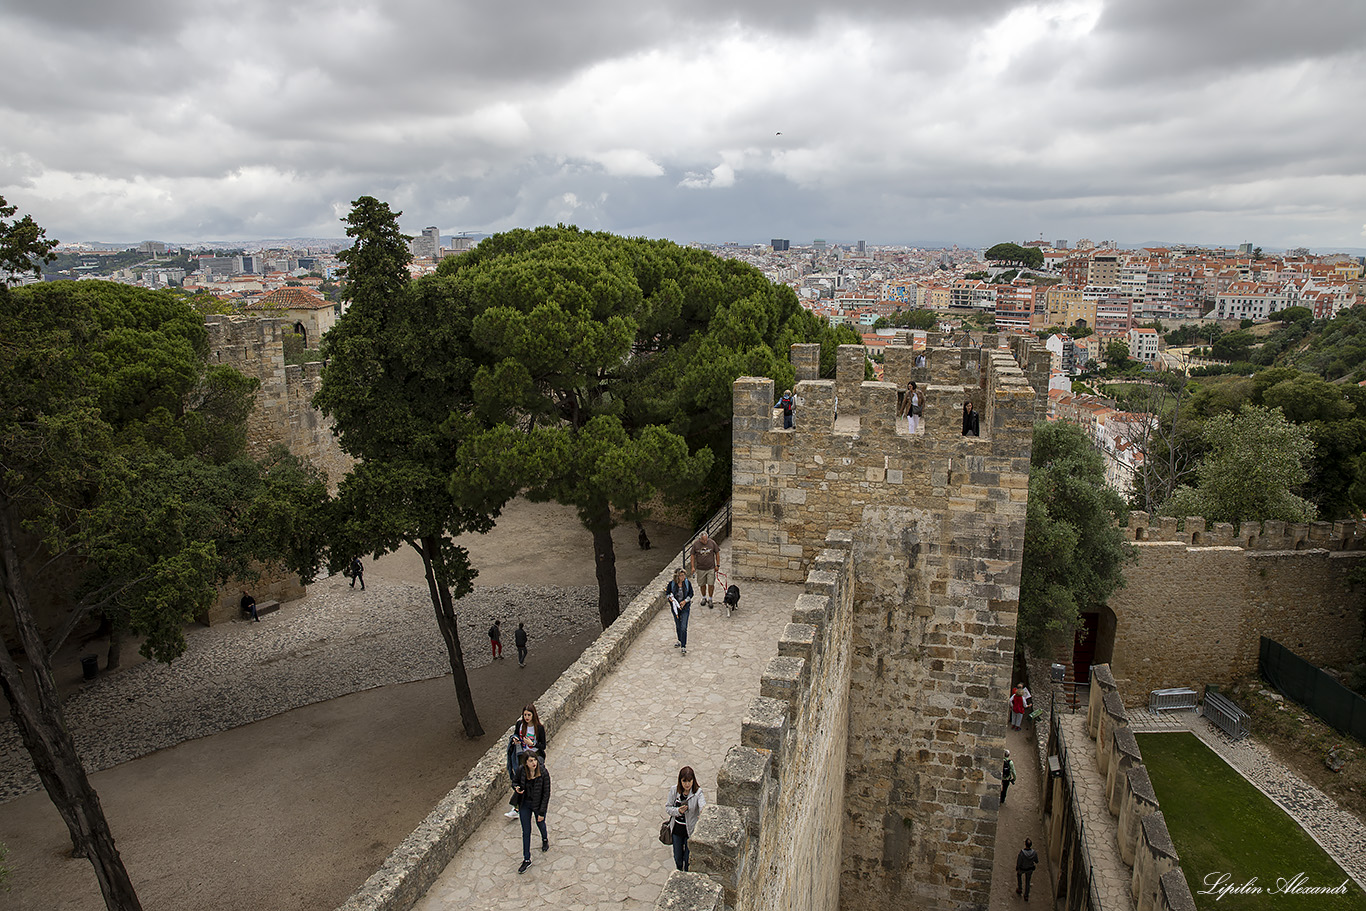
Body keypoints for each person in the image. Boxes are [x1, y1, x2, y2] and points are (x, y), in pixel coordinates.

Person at [505, 704, 548, 818]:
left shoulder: (539, 728)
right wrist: (515, 739)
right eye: (525, 715)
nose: (526, 717)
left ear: (533, 715)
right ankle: (517, 808)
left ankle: (520, 807)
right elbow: (516, 734)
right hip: (523, 756)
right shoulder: (520, 724)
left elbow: (543, 745)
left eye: (529, 715)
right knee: (522, 781)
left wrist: (532, 744)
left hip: (534, 756)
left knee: (529, 782)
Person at [513, 752, 551, 873]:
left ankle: (545, 839)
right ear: (526, 763)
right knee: (526, 831)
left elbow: (546, 794)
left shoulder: (544, 773)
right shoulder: (521, 771)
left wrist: (541, 812)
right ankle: (526, 859)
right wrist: (516, 787)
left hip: (538, 805)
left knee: (540, 824)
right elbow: (515, 782)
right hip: (525, 804)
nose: (533, 763)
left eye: (534, 760)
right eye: (530, 761)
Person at [665, 766, 706, 872]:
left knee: (688, 859)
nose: (687, 784)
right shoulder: (674, 791)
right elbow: (668, 808)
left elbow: (702, 805)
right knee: (678, 858)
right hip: (677, 830)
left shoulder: (698, 793)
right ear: (680, 781)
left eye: (689, 781)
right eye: (684, 781)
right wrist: (678, 811)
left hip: (690, 831)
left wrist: (702, 812)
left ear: (693, 780)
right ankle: (679, 871)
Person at [667, 568, 693, 655]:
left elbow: (691, 594)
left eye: (684, 575)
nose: (683, 577)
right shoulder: (672, 584)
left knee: (683, 627)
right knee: (678, 625)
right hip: (676, 609)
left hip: (685, 608)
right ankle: (679, 639)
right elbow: (667, 593)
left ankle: (683, 646)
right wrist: (670, 598)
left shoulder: (687, 583)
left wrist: (685, 601)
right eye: (681, 575)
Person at [690, 531, 719, 608]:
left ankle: (710, 599)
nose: (705, 542)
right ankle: (704, 597)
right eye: (704, 540)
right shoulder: (696, 544)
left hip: (710, 568)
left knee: (711, 584)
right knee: (702, 584)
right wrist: (692, 567)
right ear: (700, 539)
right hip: (700, 568)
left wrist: (718, 565)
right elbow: (692, 555)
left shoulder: (712, 543)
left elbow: (717, 552)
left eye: (706, 540)